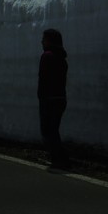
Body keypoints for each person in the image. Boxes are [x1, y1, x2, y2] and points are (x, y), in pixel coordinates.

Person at [38, 28, 69, 168]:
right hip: (61, 98)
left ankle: (58, 159)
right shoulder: (62, 59)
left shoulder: (47, 56)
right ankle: (59, 158)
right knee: (53, 129)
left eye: (44, 39)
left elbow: (43, 78)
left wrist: (41, 95)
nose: (42, 41)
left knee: (47, 130)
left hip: (49, 98)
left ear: (50, 40)